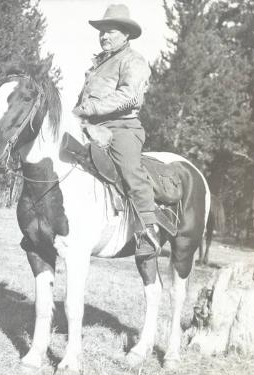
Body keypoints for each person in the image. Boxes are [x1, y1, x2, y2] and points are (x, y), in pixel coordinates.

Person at [72, 4, 160, 258]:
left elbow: (129, 96)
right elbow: (82, 101)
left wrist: (90, 107)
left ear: (126, 35)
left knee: (131, 171)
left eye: (110, 31)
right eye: (102, 31)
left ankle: (147, 232)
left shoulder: (134, 60)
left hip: (122, 127)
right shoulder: (98, 65)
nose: (104, 36)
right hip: (91, 126)